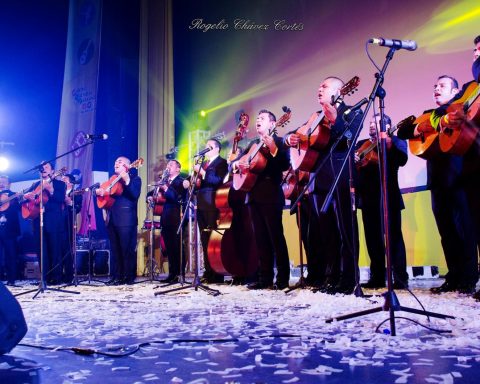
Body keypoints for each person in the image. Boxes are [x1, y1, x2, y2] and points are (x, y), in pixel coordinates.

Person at [398, 75, 478, 294]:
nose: (436, 88)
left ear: (455, 92)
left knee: (466, 230)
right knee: (447, 232)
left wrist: (442, 121)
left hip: (460, 177)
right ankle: (454, 276)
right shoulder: (429, 114)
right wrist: (428, 126)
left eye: (442, 86)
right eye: (435, 86)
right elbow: (404, 131)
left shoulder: (462, 109)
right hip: (437, 181)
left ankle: (469, 277)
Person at [285, 77, 363, 294]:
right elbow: (296, 135)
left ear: (340, 91)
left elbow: (349, 136)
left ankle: (349, 279)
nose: (319, 89)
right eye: (319, 86)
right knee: (326, 230)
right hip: (319, 178)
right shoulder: (315, 116)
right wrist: (290, 139)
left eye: (325, 86)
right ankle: (331, 277)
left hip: (342, 175)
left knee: (347, 230)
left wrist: (334, 116)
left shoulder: (353, 111)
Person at [232, 109, 291, 290]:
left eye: (262, 118)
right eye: (257, 118)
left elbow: (284, 164)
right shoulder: (253, 144)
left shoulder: (280, 141)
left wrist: (273, 148)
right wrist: (236, 164)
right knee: (260, 239)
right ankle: (264, 278)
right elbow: (237, 164)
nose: (258, 120)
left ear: (273, 124)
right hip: (253, 195)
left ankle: (282, 278)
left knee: (276, 238)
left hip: (271, 193)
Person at [355, 114, 409, 289]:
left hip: (389, 196)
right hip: (367, 199)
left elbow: (402, 160)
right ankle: (377, 277)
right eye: (370, 122)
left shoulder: (396, 139)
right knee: (372, 240)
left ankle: (400, 278)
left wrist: (388, 144)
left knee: (394, 238)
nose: (372, 125)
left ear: (388, 125)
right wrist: (354, 160)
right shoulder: (361, 145)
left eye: (376, 123)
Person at [96, 156, 141, 285]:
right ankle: (117, 276)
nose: (116, 163)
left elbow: (134, 195)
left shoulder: (135, 179)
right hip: (112, 218)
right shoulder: (112, 180)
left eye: (120, 162)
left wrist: (127, 180)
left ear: (128, 165)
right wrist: (100, 192)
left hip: (126, 219)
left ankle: (128, 277)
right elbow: (107, 198)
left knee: (126, 249)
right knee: (115, 249)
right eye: (115, 161)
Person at [24, 162, 67, 285]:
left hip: (54, 221)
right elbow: (24, 199)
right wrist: (27, 197)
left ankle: (56, 277)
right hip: (38, 220)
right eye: (42, 167)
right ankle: (44, 278)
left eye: (46, 167)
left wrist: (51, 190)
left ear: (53, 171)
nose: (43, 169)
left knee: (55, 249)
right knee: (41, 250)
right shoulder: (35, 184)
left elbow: (60, 199)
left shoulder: (60, 184)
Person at [193, 139, 228, 284]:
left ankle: (217, 273)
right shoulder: (205, 164)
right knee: (204, 239)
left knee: (214, 239)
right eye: (205, 146)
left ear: (217, 149)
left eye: (209, 146)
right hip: (201, 203)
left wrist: (202, 171)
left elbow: (217, 181)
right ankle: (208, 272)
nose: (206, 148)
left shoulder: (221, 163)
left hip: (213, 203)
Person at [158, 159, 187, 283]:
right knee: (169, 247)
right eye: (167, 165)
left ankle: (180, 273)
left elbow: (178, 198)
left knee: (177, 246)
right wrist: (150, 196)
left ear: (178, 169)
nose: (168, 166)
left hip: (176, 216)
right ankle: (172, 273)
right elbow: (154, 193)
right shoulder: (165, 181)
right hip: (165, 217)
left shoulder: (181, 181)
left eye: (171, 165)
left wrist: (166, 189)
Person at [61, 173, 83, 284]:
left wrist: (70, 203)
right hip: (57, 223)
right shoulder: (58, 192)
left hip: (68, 223)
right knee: (57, 249)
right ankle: (58, 275)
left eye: (64, 179)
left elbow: (78, 208)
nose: (62, 180)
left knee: (67, 248)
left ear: (70, 182)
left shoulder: (76, 193)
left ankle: (69, 275)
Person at [0, 176, 21, 285]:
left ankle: (11, 279)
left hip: (10, 230)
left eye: (4, 182)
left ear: (9, 184)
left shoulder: (14, 195)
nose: (1, 184)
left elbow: (17, 209)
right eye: (0, 182)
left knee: (11, 255)